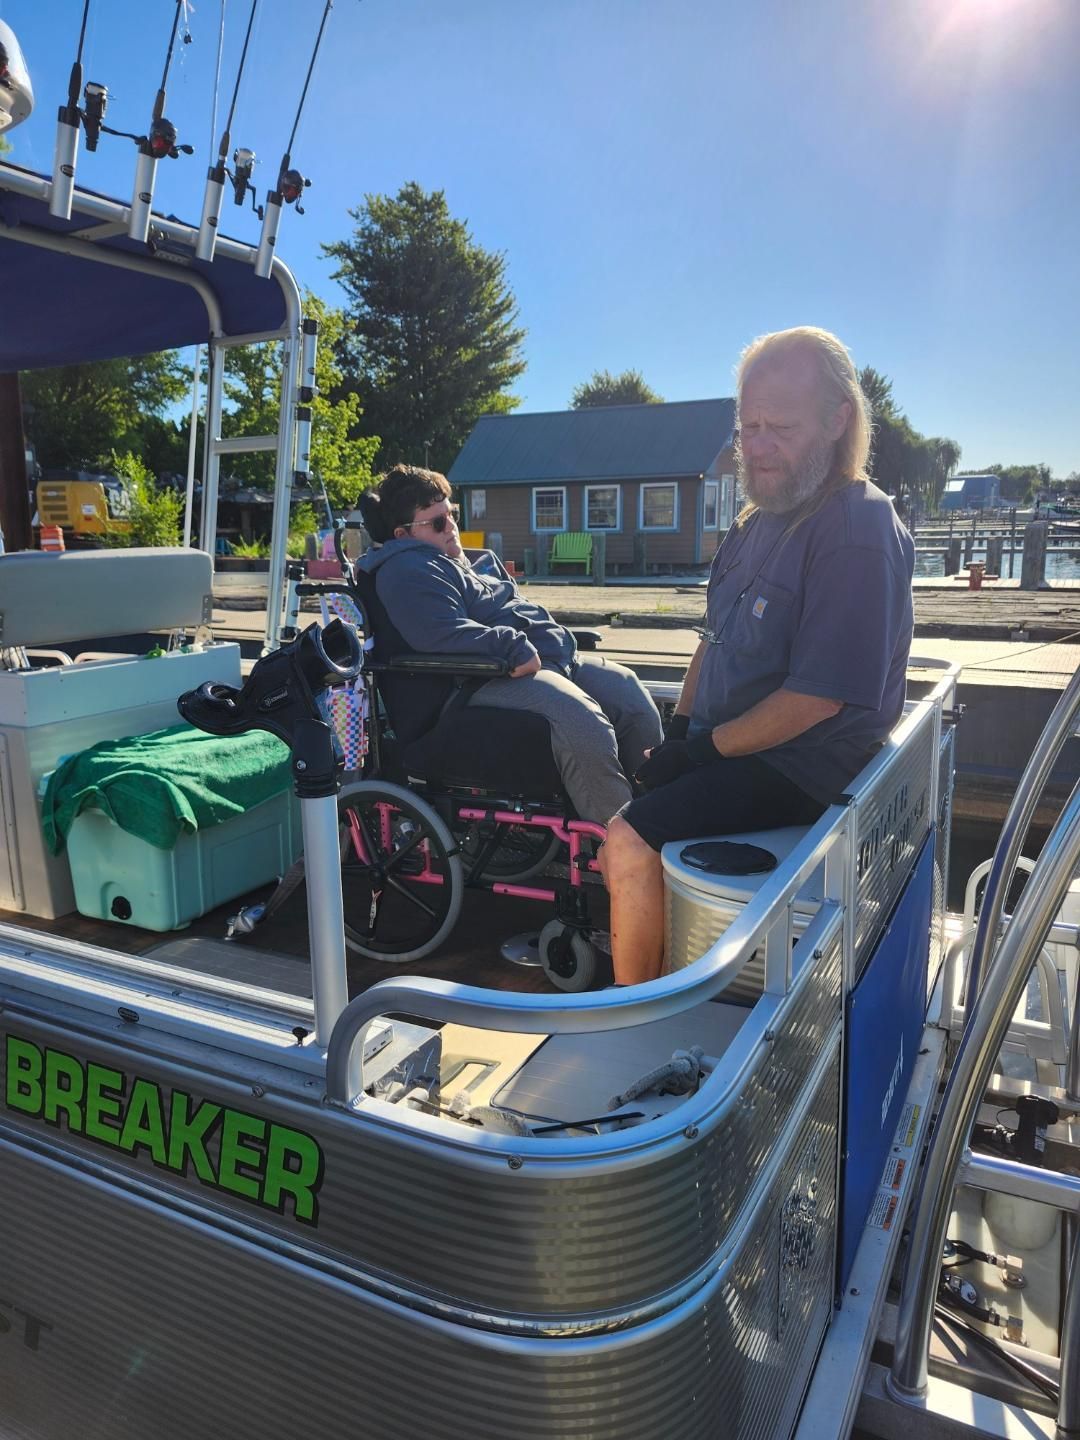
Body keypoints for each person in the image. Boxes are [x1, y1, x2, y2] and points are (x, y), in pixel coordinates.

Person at [599, 326, 915, 984]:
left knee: (626, 843)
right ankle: (662, 973)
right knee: (634, 814)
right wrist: (680, 734)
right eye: (750, 428)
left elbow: (817, 698)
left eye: (783, 428)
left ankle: (633, 1009)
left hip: (800, 768)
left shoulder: (856, 526)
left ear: (838, 420)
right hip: (733, 750)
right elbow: (710, 642)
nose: (761, 447)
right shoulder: (753, 522)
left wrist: (701, 754)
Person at [356, 465, 662, 825]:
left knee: (627, 693)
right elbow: (440, 634)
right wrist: (512, 648)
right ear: (402, 534)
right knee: (580, 720)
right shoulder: (406, 568)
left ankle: (654, 812)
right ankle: (621, 839)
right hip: (477, 680)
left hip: (538, 659)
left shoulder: (465, 561)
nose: (450, 525)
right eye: (437, 522)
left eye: (452, 514)